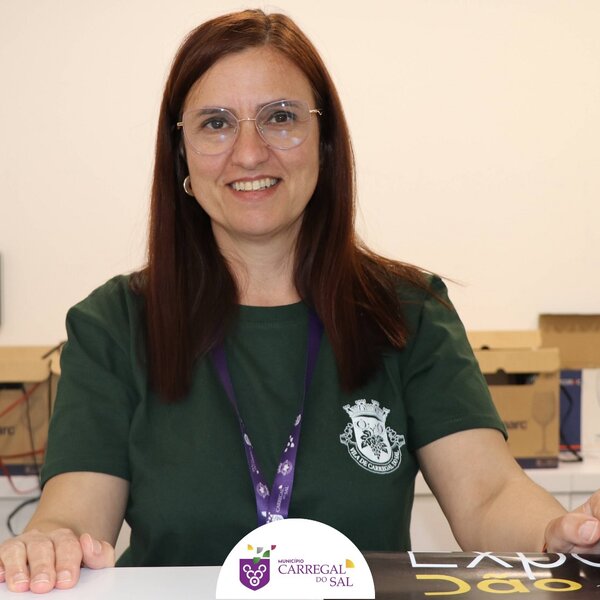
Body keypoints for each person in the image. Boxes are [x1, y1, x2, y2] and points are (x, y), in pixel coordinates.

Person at [1, 8, 599, 595]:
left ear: (325, 142)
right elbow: (73, 517)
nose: (249, 152)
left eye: (280, 117)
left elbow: (489, 495)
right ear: (180, 151)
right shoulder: (114, 324)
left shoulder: (409, 312)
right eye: (216, 123)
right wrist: (50, 541)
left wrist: (559, 533)